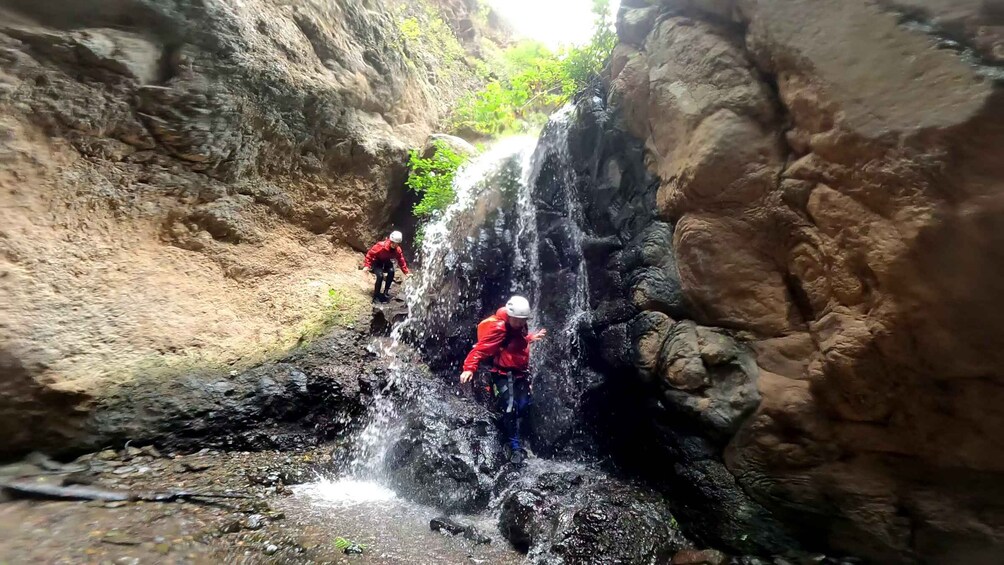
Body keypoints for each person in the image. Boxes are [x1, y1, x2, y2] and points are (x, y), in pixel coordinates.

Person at [460, 296, 547, 465]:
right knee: (510, 408)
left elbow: (515, 341)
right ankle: (515, 448)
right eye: (519, 320)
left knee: (524, 406)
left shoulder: (519, 326)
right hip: (503, 374)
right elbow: (480, 349)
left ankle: (505, 424)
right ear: (510, 316)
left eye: (524, 320)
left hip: (520, 373)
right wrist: (469, 368)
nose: (522, 323)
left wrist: (530, 338)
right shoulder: (499, 328)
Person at [363, 231, 409, 302]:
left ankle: (386, 291)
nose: (394, 245)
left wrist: (406, 272)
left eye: (397, 243)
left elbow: (401, 260)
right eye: (393, 242)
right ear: (390, 241)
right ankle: (376, 295)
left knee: (391, 271)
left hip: (387, 262)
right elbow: (370, 254)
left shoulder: (397, 250)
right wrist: (367, 265)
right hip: (377, 262)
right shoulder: (381, 246)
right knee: (380, 276)